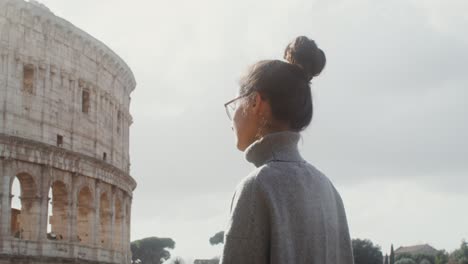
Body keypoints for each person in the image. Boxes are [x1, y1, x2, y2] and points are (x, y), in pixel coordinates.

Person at [220, 36, 354, 264]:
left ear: (256, 103)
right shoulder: (328, 189)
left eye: (234, 104)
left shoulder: (257, 187)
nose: (231, 118)